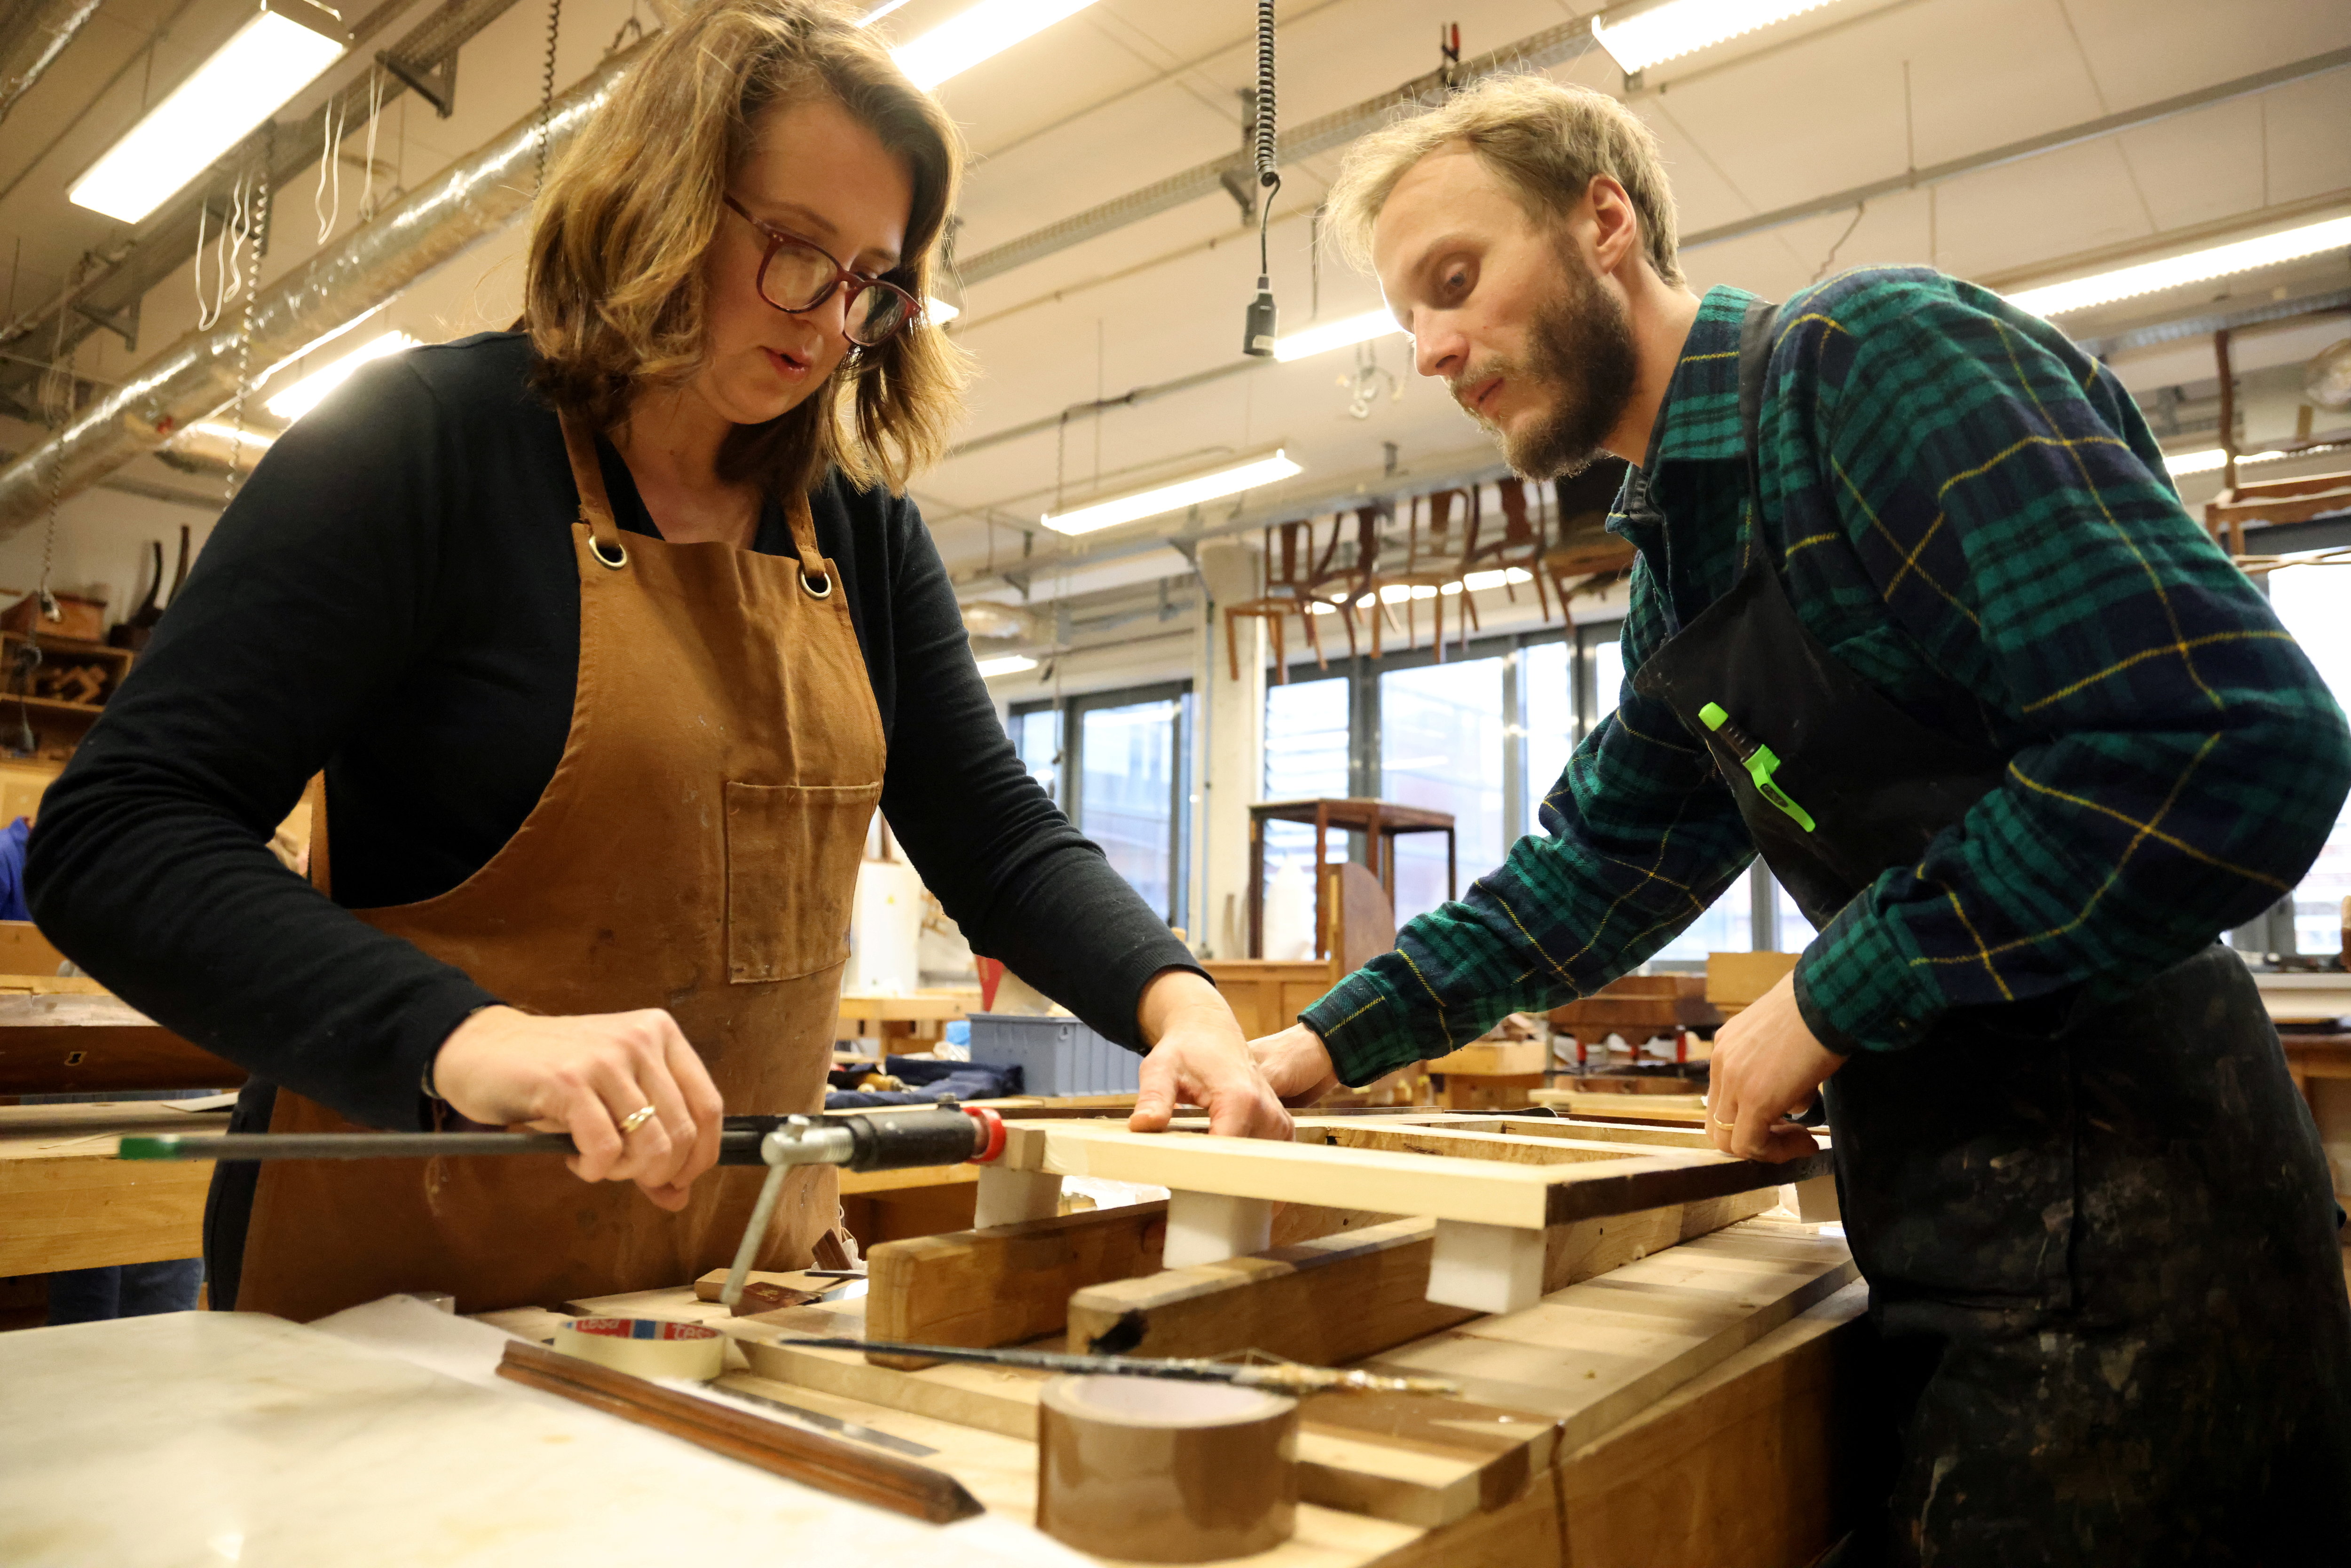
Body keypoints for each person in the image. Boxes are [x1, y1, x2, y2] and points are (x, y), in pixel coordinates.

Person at [1213, 75, 2351, 1564]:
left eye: (1454, 281)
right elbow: (1587, 873)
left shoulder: (1867, 365)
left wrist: (1830, 988)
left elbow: (2224, 737)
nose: (1430, 350)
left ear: (1603, 223)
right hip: (1956, 1227)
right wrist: (1302, 1050)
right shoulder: (1684, 561)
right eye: (1407, 318)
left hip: (2146, 1249)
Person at [25, 0, 1287, 1326]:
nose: (827, 319)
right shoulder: (419, 450)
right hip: (403, 1311)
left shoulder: (857, 527)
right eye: (796, 251)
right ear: (662, 198)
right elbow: (118, 837)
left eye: (871, 280)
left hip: (735, 1296)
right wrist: (470, 1037)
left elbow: (996, 837)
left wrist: (1179, 1002)